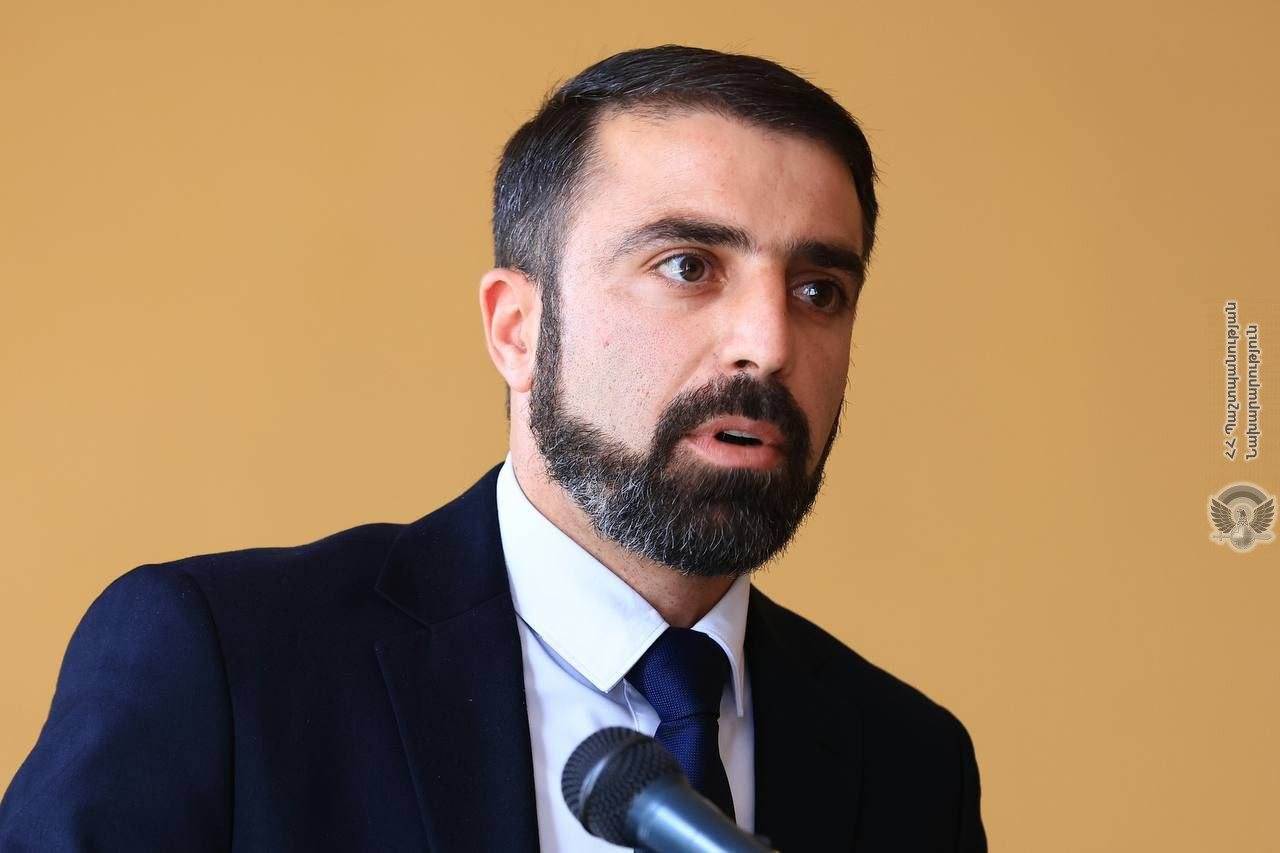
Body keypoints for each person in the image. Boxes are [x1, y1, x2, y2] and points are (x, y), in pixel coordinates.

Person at [0, 45, 986, 851]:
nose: (768, 344)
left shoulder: (910, 764)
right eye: (688, 266)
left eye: (819, 290)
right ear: (517, 329)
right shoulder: (224, 665)